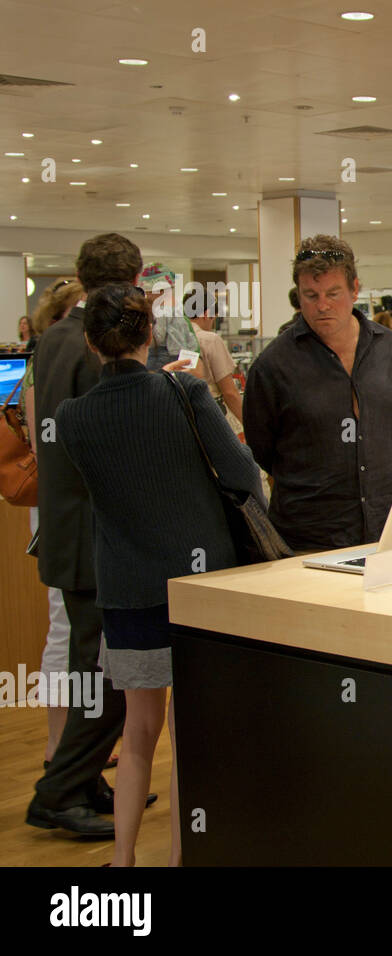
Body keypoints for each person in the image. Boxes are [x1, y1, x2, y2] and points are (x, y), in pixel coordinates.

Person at [57, 282, 262, 866]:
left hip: (125, 592)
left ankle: (123, 863)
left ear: (93, 345)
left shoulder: (73, 418)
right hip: (198, 590)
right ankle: (179, 858)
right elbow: (241, 471)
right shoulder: (185, 392)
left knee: (139, 735)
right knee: (188, 737)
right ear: (149, 333)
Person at [27, 233, 196, 837]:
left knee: (93, 669)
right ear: (131, 286)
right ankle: (60, 790)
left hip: (66, 526)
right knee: (109, 676)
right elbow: (116, 432)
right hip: (96, 532)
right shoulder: (94, 350)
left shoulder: (52, 339)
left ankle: (81, 781)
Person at [243, 235, 392, 552]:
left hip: (385, 528)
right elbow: (263, 449)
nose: (323, 305)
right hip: (308, 536)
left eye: (333, 293)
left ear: (355, 289)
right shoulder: (273, 365)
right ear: (298, 296)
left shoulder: (387, 346)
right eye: (310, 295)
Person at [22, 278, 83, 766]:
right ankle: (58, 746)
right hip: (62, 513)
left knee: (73, 630)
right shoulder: (45, 368)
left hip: (65, 510)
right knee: (64, 628)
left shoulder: (48, 365)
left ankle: (73, 746)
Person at [192, 310, 244, 428]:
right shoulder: (210, 340)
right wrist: (250, 425)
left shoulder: (175, 338)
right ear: (206, 314)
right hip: (211, 413)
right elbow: (229, 392)